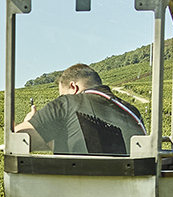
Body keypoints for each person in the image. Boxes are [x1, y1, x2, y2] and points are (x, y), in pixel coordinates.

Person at [13, 63, 145, 156]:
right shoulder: (133, 112)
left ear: (73, 87)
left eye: (62, 94)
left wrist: (32, 121)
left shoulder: (66, 104)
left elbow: (16, 139)